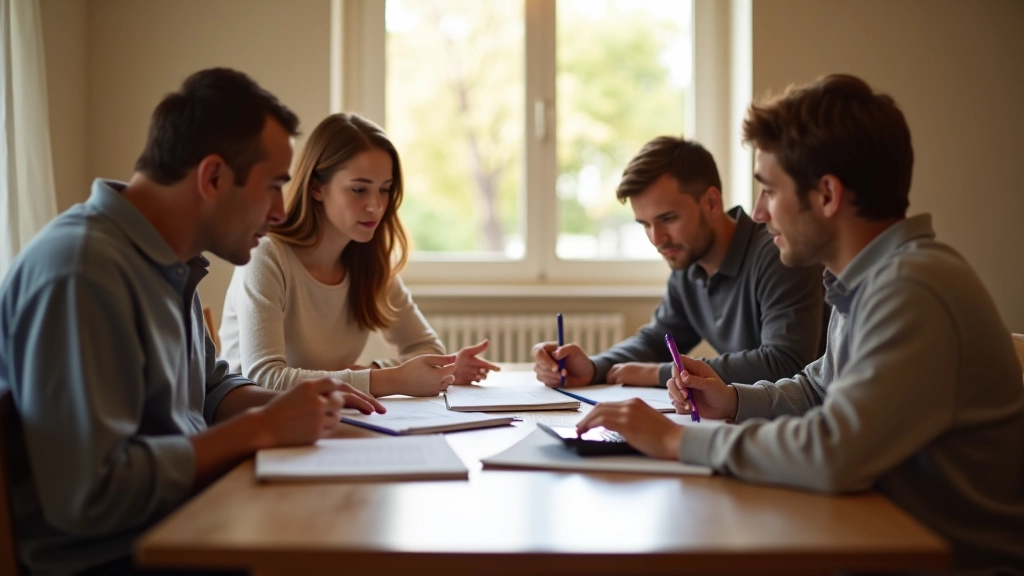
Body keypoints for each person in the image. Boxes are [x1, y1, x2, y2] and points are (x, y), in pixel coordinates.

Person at [577, 74, 1024, 572]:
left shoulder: (912, 289)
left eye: (769, 189)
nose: (761, 213)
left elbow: (834, 452)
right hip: (873, 536)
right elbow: (817, 390)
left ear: (827, 195)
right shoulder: (868, 282)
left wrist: (675, 439)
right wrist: (733, 398)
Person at [0, 68, 391, 576]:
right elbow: (89, 495)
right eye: (273, 186)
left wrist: (303, 405)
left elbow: (210, 391)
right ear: (212, 177)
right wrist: (260, 429)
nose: (279, 212)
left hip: (185, 522)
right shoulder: (82, 272)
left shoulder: (165, 260)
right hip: (124, 555)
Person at [218, 113, 498, 395]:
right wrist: (390, 379)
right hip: (256, 426)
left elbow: (427, 348)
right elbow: (264, 378)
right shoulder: (266, 256)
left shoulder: (369, 261)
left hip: (326, 418)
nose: (375, 207)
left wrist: (372, 373)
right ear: (317, 187)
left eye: (385, 190)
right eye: (359, 190)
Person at [532, 137, 826, 388]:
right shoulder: (688, 263)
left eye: (668, 219)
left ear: (711, 203)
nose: (657, 238)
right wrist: (594, 367)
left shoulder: (779, 253)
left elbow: (784, 363)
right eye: (645, 224)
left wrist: (661, 373)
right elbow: (657, 341)